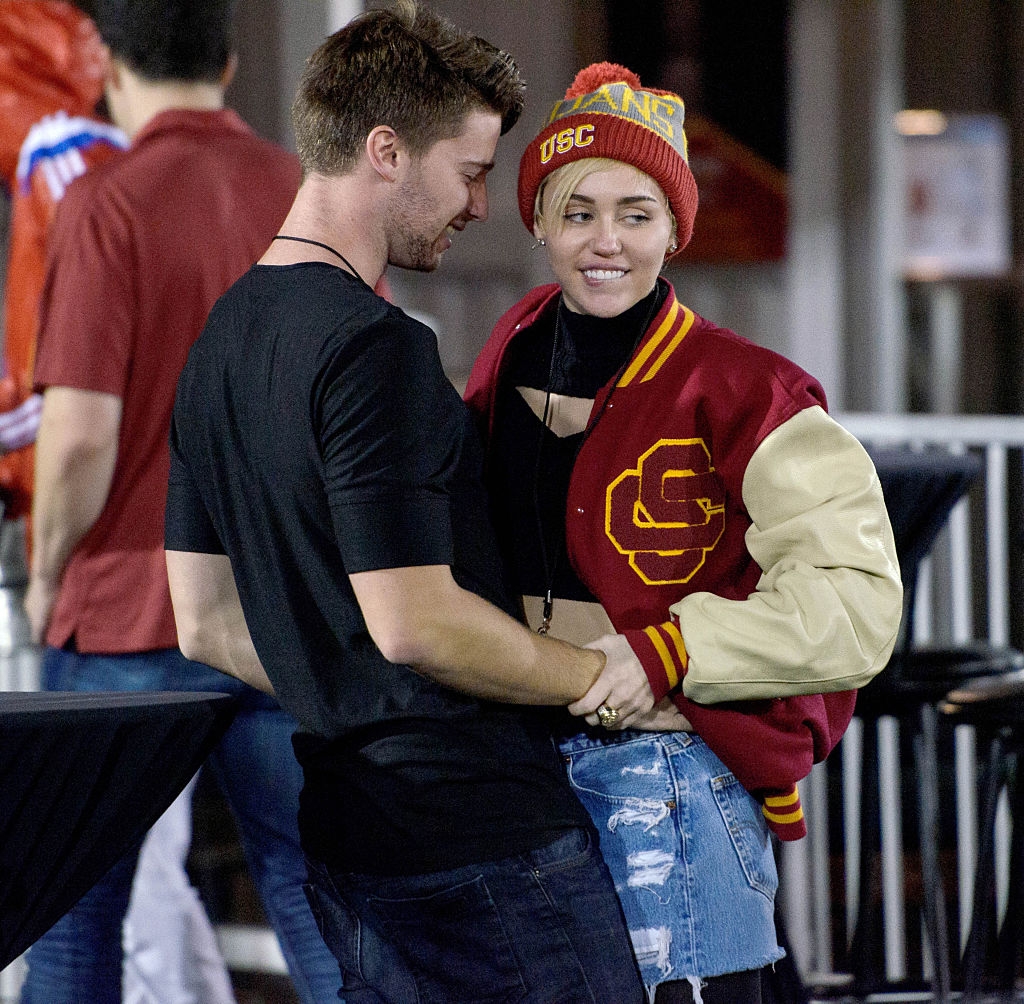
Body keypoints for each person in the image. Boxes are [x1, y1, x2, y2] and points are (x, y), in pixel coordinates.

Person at [164, 4, 654, 1002]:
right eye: (468, 171)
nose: (478, 205)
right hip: (477, 834)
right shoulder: (374, 346)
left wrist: (353, 694)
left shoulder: (221, 339)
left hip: (350, 834)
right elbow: (415, 622)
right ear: (385, 151)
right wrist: (601, 677)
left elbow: (204, 623)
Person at [463, 63, 904, 1004]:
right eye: (578, 212)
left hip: (671, 780)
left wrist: (672, 651)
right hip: (520, 771)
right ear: (538, 222)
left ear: (675, 229)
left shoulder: (753, 390)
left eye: (637, 214)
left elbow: (857, 606)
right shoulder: (512, 345)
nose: (606, 241)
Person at [20, 1, 343, 1001]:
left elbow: (80, 435)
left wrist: (47, 571)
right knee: (317, 903)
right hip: (282, 613)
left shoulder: (107, 201)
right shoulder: (308, 195)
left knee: (74, 917)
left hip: (124, 614)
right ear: (232, 62)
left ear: (108, 68)